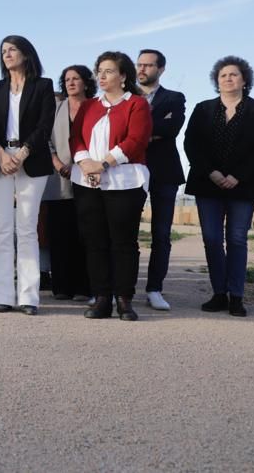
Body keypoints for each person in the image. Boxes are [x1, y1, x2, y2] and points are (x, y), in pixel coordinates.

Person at [184, 56, 254, 317]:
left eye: (233, 75)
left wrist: (238, 175)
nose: (228, 79)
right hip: (207, 182)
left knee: (236, 238)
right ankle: (219, 293)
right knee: (212, 239)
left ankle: (236, 296)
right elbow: (191, 144)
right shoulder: (203, 109)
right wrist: (211, 172)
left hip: (245, 185)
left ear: (244, 80)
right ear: (217, 81)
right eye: (223, 75)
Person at [71, 52, 152, 322]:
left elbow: (136, 140)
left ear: (123, 76)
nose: (101, 76)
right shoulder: (89, 106)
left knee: (123, 242)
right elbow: (76, 139)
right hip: (88, 181)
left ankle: (124, 299)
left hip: (125, 181)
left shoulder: (137, 104)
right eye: (99, 71)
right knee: (94, 241)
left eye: (108, 71)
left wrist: (103, 164)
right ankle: (102, 298)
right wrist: (86, 165)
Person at [0, 35, 55, 315]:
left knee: (26, 229)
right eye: (3, 51)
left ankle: (28, 297)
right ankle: (2, 295)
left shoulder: (43, 86)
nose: (7, 54)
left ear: (26, 54)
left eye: (12, 50)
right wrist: (1, 154)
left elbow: (44, 125)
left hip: (31, 162)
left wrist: (22, 154)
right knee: (1, 230)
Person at [136, 49, 186, 311]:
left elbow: (172, 128)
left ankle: (154, 288)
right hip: (131, 170)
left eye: (148, 65)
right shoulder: (126, 97)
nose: (142, 69)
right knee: (126, 232)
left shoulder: (174, 98)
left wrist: (139, 132)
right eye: (139, 64)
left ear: (161, 69)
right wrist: (153, 131)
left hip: (165, 172)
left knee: (161, 234)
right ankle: (122, 286)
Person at [42, 65, 94, 300]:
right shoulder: (55, 108)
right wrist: (55, 162)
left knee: (85, 233)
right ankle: (61, 286)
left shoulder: (97, 107)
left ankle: (84, 286)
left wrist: (80, 166)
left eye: (76, 78)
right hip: (58, 177)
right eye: (67, 79)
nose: (71, 83)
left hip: (88, 175)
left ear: (85, 82)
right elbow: (45, 139)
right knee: (59, 233)